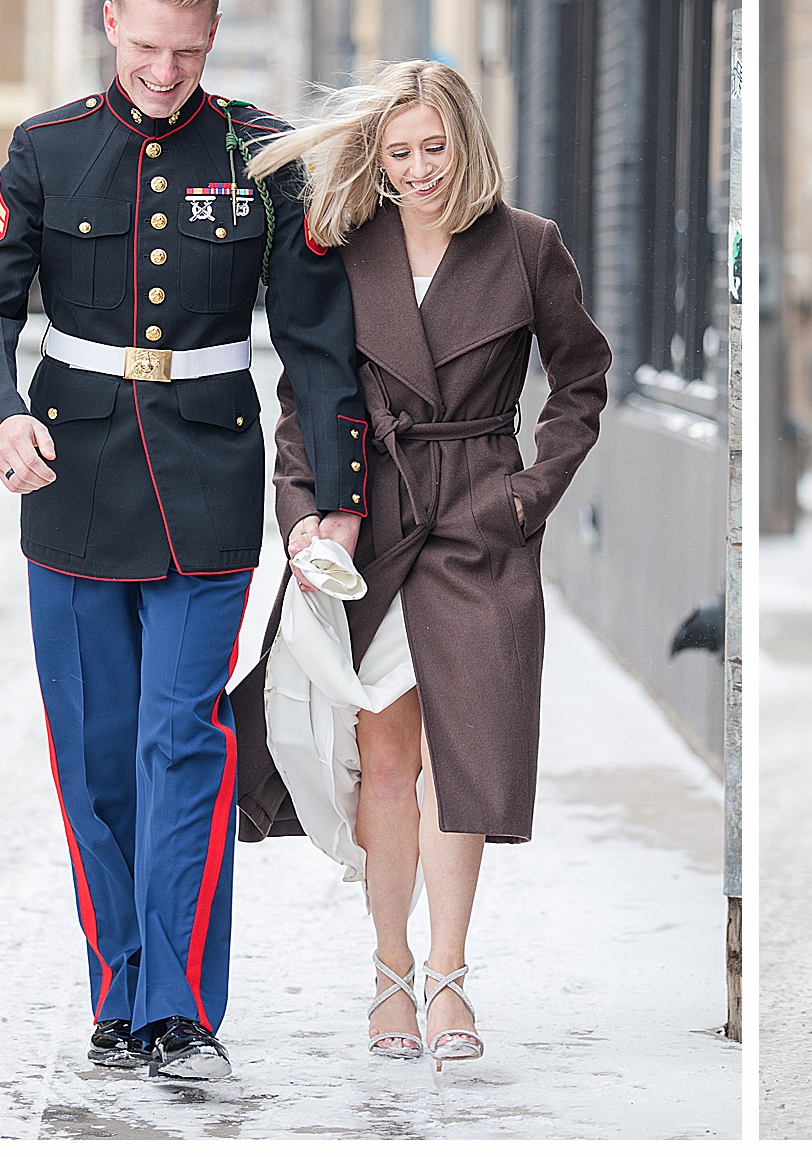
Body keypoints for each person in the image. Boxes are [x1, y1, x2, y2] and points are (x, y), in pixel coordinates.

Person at [0, 0, 368, 1079]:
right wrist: (2, 420)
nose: (164, 72)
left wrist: (335, 500)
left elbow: (320, 349)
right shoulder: (46, 148)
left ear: (212, 38)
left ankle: (177, 1004)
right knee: (95, 757)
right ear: (109, 25)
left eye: (186, 52)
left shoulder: (265, 154)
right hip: (70, 478)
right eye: (144, 48)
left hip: (208, 480)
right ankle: (118, 983)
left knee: (182, 737)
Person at [230, 60, 611, 1070]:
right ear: (379, 158)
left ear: (466, 140)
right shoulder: (344, 251)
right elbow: (308, 396)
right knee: (387, 756)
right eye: (398, 152)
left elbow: (582, 380)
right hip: (375, 516)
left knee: (461, 755)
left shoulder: (529, 246)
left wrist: (525, 494)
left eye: (433, 146)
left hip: (482, 515)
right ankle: (390, 970)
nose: (417, 168)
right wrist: (305, 515)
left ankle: (450, 973)